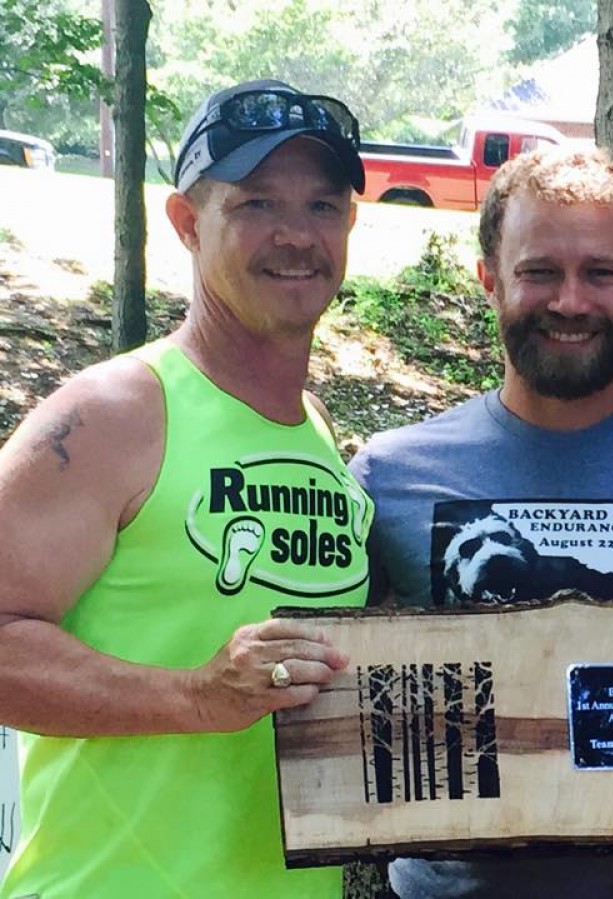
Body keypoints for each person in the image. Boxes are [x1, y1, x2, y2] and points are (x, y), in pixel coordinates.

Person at [350, 145, 613, 899]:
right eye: (540, 271)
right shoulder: (389, 476)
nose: (571, 301)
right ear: (490, 278)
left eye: (601, 273)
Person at [0, 79, 373, 897]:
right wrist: (196, 696)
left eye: (321, 205)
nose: (295, 234)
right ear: (185, 222)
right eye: (256, 203)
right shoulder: (114, 413)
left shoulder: (316, 430)